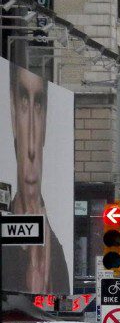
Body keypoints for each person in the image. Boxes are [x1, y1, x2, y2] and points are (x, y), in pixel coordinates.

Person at [3, 60, 70, 295]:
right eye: (23, 102)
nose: (31, 145)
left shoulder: (58, 257)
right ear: (12, 109)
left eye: (38, 104)